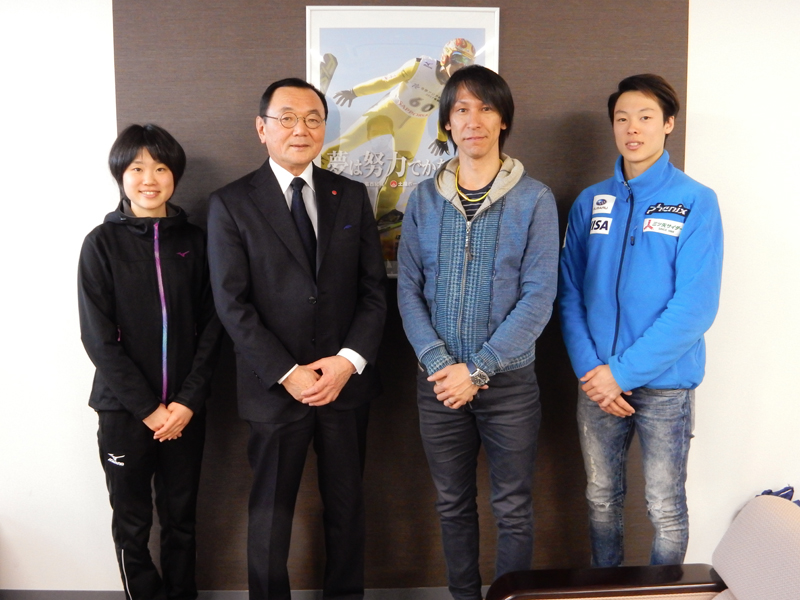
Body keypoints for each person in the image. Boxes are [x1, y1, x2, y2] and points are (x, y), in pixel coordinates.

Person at [206, 78, 386, 600]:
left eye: (312, 118)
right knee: (269, 516)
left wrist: (347, 362)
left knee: (347, 509)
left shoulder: (350, 195)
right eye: (286, 118)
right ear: (262, 128)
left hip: (343, 386)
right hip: (273, 388)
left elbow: (374, 291)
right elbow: (231, 304)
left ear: (325, 128)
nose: (300, 129)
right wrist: (287, 373)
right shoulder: (230, 203)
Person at [397, 65, 559, 600]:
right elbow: (408, 289)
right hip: (438, 384)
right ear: (447, 122)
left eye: (486, 108)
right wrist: (441, 365)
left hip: (509, 385)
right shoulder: (423, 199)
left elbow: (539, 295)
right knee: (451, 504)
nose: (474, 120)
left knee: (513, 507)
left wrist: (481, 368)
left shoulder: (535, 198)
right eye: (462, 109)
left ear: (503, 120)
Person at [558, 74, 723, 567]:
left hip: (665, 387)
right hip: (597, 383)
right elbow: (569, 293)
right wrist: (594, 372)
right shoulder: (591, 202)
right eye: (622, 118)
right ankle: (606, 594)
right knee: (600, 500)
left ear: (668, 123)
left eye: (646, 117)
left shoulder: (695, 200)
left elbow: (695, 307)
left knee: (664, 507)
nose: (633, 128)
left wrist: (622, 373)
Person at [78, 124, 222, 600]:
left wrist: (187, 402)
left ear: (174, 175)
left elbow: (213, 328)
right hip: (124, 413)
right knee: (132, 522)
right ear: (120, 175)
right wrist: (147, 409)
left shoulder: (197, 243)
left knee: (182, 519)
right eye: (137, 168)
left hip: (185, 411)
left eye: (160, 168)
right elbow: (98, 339)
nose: (149, 179)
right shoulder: (100, 244)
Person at [321, 38, 476, 230]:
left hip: (413, 125)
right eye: (459, 58)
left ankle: (384, 214)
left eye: (468, 62)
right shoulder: (420, 66)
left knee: (399, 171)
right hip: (387, 114)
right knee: (344, 144)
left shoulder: (456, 87)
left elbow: (445, 112)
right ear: (446, 57)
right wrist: (355, 92)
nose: (462, 66)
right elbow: (385, 81)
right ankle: (316, 187)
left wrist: (442, 137)